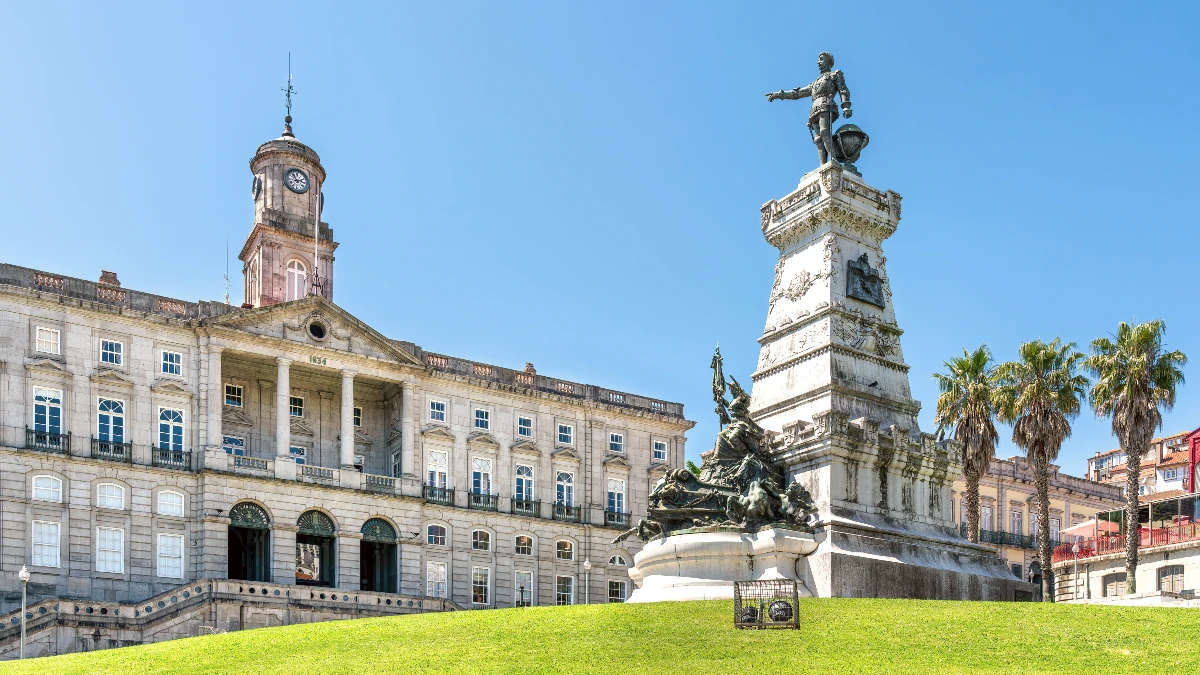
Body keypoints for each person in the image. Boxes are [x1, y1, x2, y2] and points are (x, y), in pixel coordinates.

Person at [766, 52, 852, 166]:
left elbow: (843, 90)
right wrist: (779, 95)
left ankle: (833, 159)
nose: (818, 62)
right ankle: (823, 166)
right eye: (818, 60)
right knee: (818, 139)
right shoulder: (815, 83)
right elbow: (797, 93)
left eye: (821, 59)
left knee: (824, 132)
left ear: (829, 61)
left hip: (826, 105)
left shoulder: (834, 75)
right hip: (814, 110)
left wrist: (846, 106)